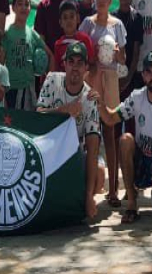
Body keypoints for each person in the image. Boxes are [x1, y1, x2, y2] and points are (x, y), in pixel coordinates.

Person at [98, 51, 152, 223]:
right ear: (143, 75)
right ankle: (132, 203)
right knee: (125, 140)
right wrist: (99, 103)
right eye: (148, 72)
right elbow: (110, 118)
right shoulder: (136, 97)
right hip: (139, 162)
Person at [37, 42, 105, 219]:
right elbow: (38, 115)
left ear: (86, 67)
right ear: (64, 64)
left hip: (74, 156)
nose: (75, 67)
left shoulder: (90, 98)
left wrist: (89, 196)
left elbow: (93, 147)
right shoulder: (52, 80)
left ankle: (83, 199)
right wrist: (63, 110)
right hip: (49, 150)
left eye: (80, 63)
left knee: (99, 174)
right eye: (71, 62)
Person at [79, 0, 126, 202]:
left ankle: (114, 189)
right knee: (91, 132)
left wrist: (117, 55)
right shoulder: (87, 24)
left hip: (111, 80)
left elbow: (123, 57)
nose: (101, 0)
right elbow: (80, 50)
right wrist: (91, 62)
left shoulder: (117, 25)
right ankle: (88, 187)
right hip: (93, 79)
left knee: (111, 132)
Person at [2, 0, 51, 111]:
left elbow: (50, 55)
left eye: (27, 4)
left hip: (28, 89)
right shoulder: (7, 34)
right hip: (10, 89)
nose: (24, 7)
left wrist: (48, 82)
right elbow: (0, 64)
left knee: (26, 121)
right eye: (20, 4)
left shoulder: (32, 34)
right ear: (13, 8)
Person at [112, 0, 144, 102]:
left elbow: (136, 53)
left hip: (132, 79)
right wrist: (116, 80)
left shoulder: (137, 18)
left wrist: (127, 79)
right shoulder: (112, 18)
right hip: (113, 79)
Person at [51, 0, 94, 73]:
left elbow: (92, 64)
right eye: (65, 17)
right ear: (60, 22)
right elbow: (57, 69)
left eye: (71, 16)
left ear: (78, 19)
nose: (69, 20)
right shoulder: (58, 44)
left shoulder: (85, 40)